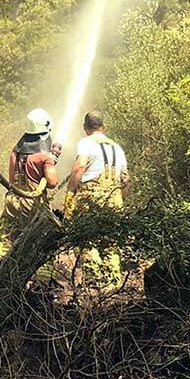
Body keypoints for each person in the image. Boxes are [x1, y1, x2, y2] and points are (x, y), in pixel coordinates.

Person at [65, 110, 129, 287]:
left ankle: (94, 281)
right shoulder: (117, 148)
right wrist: (120, 199)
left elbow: (80, 168)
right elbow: (126, 179)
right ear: (104, 126)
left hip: (91, 197)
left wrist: (70, 193)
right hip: (114, 198)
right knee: (111, 241)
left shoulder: (85, 143)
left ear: (85, 128)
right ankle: (113, 282)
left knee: (86, 237)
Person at [0, 108, 62, 256]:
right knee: (38, 243)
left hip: (13, 202)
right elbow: (52, 182)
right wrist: (51, 161)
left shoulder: (15, 152)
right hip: (32, 205)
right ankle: (38, 277)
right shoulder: (44, 157)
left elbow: (12, 179)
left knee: (6, 240)